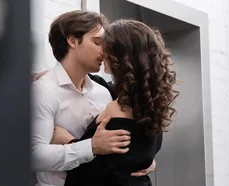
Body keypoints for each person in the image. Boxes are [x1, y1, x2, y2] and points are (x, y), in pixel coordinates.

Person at [31, 11, 156, 186]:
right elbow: (33, 156)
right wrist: (91, 147)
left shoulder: (103, 91)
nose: (105, 51)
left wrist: (141, 158)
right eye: (98, 42)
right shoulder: (44, 90)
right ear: (72, 40)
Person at [51, 19, 178, 186]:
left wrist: (68, 141)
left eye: (106, 46)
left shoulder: (117, 110)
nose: (102, 52)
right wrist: (53, 75)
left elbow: (92, 175)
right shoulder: (148, 101)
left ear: (121, 55)